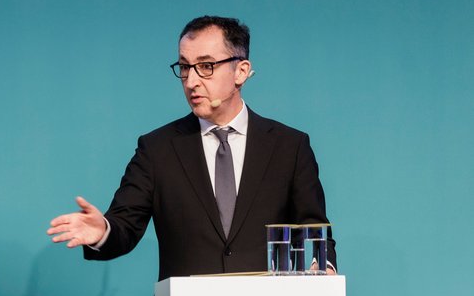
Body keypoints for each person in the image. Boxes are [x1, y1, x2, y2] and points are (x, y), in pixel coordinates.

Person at [47, 16, 336, 279]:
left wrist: (319, 269)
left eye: (206, 66)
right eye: (185, 67)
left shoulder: (289, 146)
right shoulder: (157, 149)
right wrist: (103, 232)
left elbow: (313, 231)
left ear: (241, 71)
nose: (191, 81)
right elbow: (124, 228)